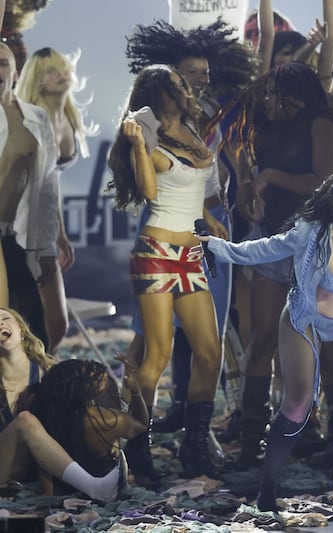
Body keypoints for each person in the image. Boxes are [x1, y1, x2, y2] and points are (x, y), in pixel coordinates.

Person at [199, 168, 333, 513]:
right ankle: (267, 492)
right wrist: (217, 248)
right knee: (299, 402)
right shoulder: (312, 234)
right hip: (307, 320)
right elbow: (263, 249)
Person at [219, 61, 333, 469]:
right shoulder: (265, 126)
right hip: (274, 241)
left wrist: (270, 175)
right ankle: (251, 440)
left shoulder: (323, 123)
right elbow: (247, 170)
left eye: (275, 93)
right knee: (262, 341)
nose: (268, 100)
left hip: (316, 245)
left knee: (325, 344)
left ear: (294, 96)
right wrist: (247, 186)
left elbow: (326, 180)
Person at [106, 64, 226, 482]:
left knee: (211, 353)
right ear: (159, 95)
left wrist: (207, 217)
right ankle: (139, 447)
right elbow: (152, 192)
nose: (185, 89)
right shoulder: (145, 132)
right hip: (157, 252)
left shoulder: (191, 130)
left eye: (182, 84)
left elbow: (193, 185)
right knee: (156, 353)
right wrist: (138, 145)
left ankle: (195, 443)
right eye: (175, 86)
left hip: (189, 252)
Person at [0, 308, 142, 502]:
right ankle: (94, 487)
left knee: (82, 404)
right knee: (25, 420)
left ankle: (108, 468)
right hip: (7, 465)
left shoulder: (48, 369)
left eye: (5, 318)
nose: (0, 324)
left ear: (21, 330)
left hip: (40, 466)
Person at [15, 47, 97, 356]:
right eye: (50, 70)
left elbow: (53, 182)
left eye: (63, 67)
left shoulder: (70, 118)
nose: (61, 74)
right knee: (44, 323)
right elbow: (30, 187)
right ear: (37, 80)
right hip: (22, 228)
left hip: (45, 227)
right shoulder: (32, 120)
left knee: (53, 326)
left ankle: (36, 385)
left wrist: (60, 234)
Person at [0, 41, 57, 351]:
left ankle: (33, 398)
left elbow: (47, 188)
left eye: (3, 63)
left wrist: (47, 247)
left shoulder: (35, 119)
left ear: (16, 72)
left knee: (34, 332)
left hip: (11, 238)